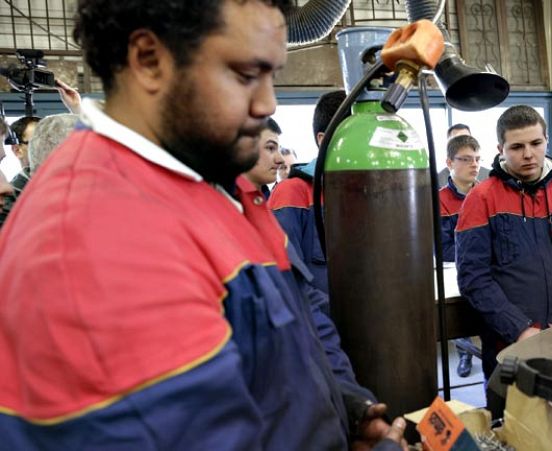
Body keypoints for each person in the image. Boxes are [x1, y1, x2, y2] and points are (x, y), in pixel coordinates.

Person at [0, 1, 406, 449]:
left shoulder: (218, 184)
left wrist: (336, 407)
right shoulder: (93, 244)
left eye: (271, 74)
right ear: (149, 61)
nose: (268, 101)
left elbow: (277, 342)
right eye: (245, 74)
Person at [456, 105, 552, 380]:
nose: (528, 154)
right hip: (511, 345)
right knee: (512, 419)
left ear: (546, 141)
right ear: (500, 148)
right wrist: (520, 329)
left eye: (536, 143)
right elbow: (473, 277)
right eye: (516, 147)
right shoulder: (481, 199)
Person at [268, 90, 346, 294]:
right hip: (321, 321)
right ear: (323, 139)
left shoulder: (365, 193)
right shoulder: (292, 193)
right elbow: (288, 284)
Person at [439, 134, 481, 378]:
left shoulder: (487, 195)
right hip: (454, 272)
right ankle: (464, 351)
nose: (474, 165)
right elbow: (441, 247)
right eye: (466, 159)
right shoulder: (439, 200)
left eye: (477, 159)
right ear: (449, 163)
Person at [437, 123, 489, 187]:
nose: (463, 143)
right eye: (457, 140)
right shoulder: (438, 180)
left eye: (467, 138)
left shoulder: (488, 176)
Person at [243, 117, 284, 200]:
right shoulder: (222, 203)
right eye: (270, 148)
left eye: (279, 149)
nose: (280, 159)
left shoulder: (266, 198)